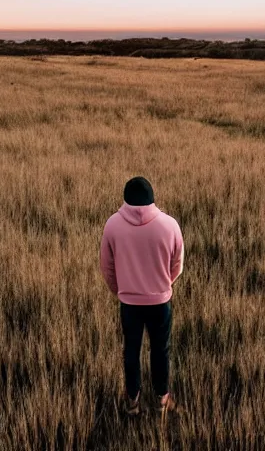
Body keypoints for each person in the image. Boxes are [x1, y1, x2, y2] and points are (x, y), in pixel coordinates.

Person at [100, 177, 184, 416]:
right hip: (160, 302)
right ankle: (161, 401)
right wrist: (163, 285)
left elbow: (106, 267)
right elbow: (177, 264)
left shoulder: (113, 225)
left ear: (125, 200)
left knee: (131, 351)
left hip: (129, 304)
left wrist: (122, 290)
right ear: (152, 199)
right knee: (161, 350)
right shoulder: (170, 225)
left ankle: (132, 403)